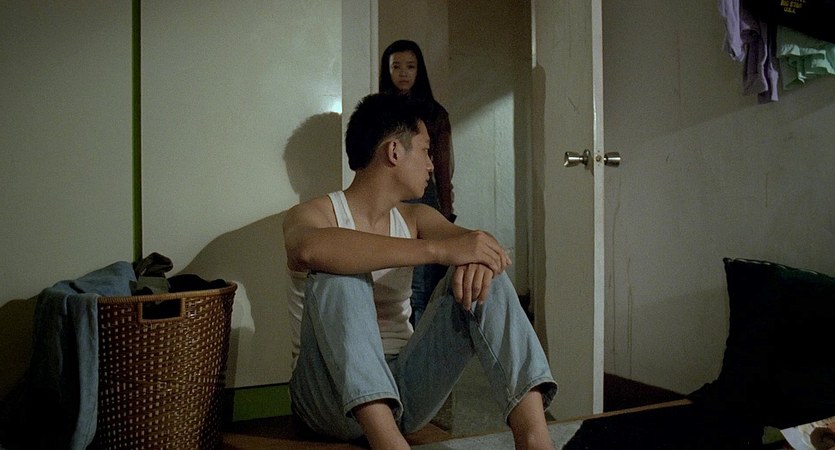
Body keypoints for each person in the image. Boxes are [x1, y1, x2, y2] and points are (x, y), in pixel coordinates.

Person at [283, 92, 557, 450]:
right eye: (426, 151)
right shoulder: (314, 214)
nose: (431, 165)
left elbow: (481, 245)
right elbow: (308, 248)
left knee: (485, 272)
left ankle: (535, 438)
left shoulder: (416, 217)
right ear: (394, 151)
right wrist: (436, 250)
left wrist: (475, 257)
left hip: (404, 393)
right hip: (326, 398)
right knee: (339, 270)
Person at [379, 39, 454, 325]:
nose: (403, 73)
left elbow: (442, 168)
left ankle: (418, 342)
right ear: (387, 70)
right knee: (389, 273)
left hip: (423, 195)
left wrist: (445, 211)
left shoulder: (434, 113)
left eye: (410, 66)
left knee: (421, 283)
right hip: (388, 195)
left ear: (419, 70)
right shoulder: (379, 111)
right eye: (396, 66)